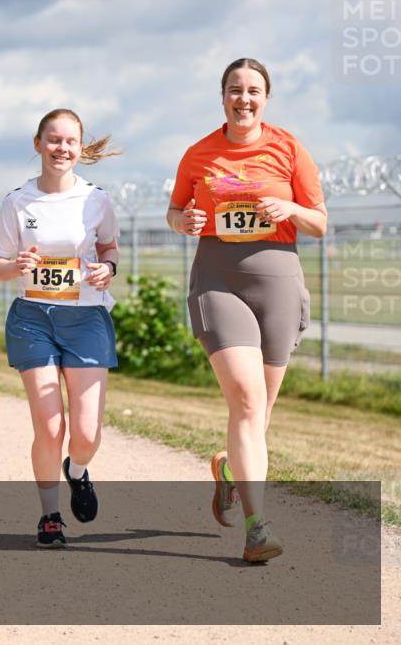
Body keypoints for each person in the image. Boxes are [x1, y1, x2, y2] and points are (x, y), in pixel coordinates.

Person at [167, 58, 327, 563]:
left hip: (278, 283)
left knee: (259, 415)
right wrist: (184, 221)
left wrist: (292, 209)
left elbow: (320, 222)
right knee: (247, 400)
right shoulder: (198, 154)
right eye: (235, 90)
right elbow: (175, 211)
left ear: (266, 98)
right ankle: (258, 528)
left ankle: (229, 469)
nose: (244, 99)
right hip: (218, 280)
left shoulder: (289, 148)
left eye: (253, 90)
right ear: (223, 97)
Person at [0, 109, 121, 548]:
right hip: (33, 318)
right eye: (54, 139)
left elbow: (109, 248)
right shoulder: (18, 201)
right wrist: (15, 265)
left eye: (70, 141)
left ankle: (77, 471)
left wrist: (107, 269)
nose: (62, 148)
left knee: (86, 435)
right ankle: (49, 515)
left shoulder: (96, 199)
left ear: (80, 148)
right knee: (49, 428)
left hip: (86, 319)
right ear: (38, 144)